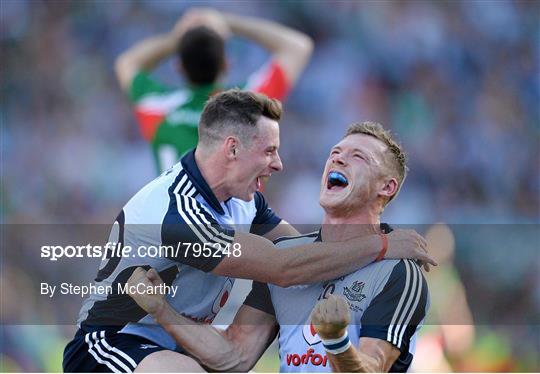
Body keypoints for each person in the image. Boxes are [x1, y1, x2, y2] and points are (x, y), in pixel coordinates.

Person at [62, 91, 434, 372]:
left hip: (173, 347)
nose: (279, 163)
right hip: (114, 341)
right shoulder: (175, 215)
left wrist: (377, 249)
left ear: (387, 188)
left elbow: (298, 254)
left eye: (357, 157)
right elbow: (284, 268)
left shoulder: (246, 202)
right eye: (270, 151)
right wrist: (384, 243)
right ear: (233, 149)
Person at [115, 7, 313, 173]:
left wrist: (180, 38)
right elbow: (297, 46)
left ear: (179, 67)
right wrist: (227, 23)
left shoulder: (157, 107)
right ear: (226, 64)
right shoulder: (251, 104)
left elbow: (127, 62)